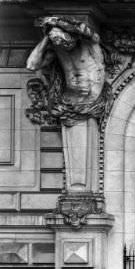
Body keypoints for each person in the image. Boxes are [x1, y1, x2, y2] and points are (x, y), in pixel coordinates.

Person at [26, 16, 109, 194]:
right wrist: (47, 38)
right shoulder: (57, 50)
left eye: (62, 39)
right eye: (56, 41)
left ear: (70, 35)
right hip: (71, 101)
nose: (61, 44)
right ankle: (78, 190)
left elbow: (91, 35)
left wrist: (61, 22)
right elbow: (32, 65)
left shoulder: (88, 46)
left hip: (90, 100)